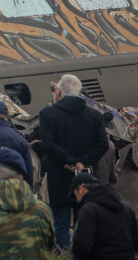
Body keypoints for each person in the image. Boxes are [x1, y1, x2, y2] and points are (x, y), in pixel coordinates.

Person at [39, 75, 108, 249]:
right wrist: (81, 163)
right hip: (86, 177)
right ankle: (81, 259)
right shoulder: (94, 116)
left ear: (59, 92)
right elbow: (102, 144)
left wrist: (69, 161)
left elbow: (48, 144)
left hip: (59, 176)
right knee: (84, 220)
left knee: (60, 223)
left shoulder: (47, 114)